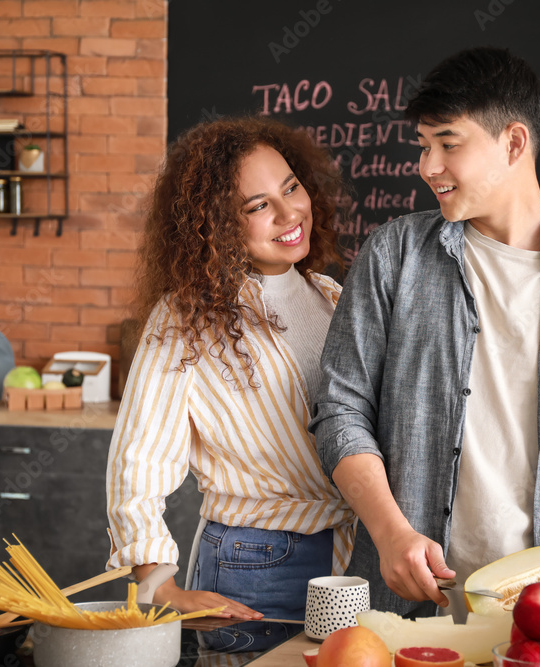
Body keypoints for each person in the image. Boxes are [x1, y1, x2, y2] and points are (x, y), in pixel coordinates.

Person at [311, 47, 540, 618]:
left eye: (449, 144)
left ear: (514, 143)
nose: (428, 166)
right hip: (401, 607)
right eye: (424, 147)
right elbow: (339, 407)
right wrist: (389, 532)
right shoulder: (394, 255)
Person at [106, 116, 356, 651]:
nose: (290, 213)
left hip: (350, 555)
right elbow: (138, 460)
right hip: (257, 563)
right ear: (215, 224)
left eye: (291, 187)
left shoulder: (331, 296)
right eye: (258, 205)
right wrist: (158, 584)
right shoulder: (186, 318)